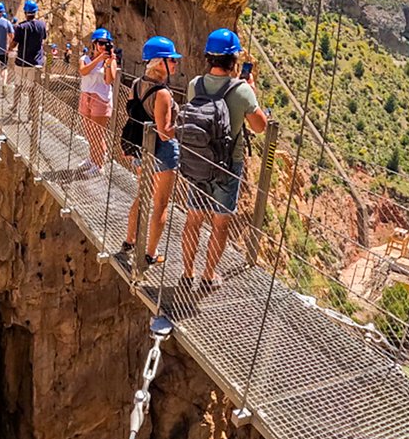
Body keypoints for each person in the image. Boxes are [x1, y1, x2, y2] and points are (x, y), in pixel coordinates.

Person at [179, 28, 267, 292]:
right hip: (229, 164)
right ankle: (208, 275)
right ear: (234, 60)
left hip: (197, 161)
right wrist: (251, 91)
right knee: (220, 223)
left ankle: (186, 273)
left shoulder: (195, 84)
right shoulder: (242, 90)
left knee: (193, 218)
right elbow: (260, 126)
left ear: (209, 57)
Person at [113, 36, 180, 274]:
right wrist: (185, 125)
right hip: (161, 152)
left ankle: (129, 241)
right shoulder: (162, 93)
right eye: (171, 60)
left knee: (142, 196)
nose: (175, 65)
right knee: (160, 203)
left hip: (141, 148)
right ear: (160, 63)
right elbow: (164, 133)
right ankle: (150, 254)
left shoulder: (136, 84)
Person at [77, 28, 117, 176]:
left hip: (101, 99)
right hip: (85, 96)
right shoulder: (85, 59)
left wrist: (107, 62)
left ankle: (99, 165)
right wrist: (98, 59)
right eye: (100, 43)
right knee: (89, 132)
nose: (103, 46)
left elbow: (109, 80)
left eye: (106, 43)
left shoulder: (110, 61)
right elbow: (83, 71)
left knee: (97, 133)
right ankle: (93, 158)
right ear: (94, 43)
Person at [10, 0, 48, 122]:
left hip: (21, 61)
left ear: (25, 12)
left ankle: (15, 108)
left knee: (18, 86)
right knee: (32, 89)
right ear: (35, 12)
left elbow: (15, 43)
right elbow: (43, 39)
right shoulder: (42, 25)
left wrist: (9, 48)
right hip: (35, 63)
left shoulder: (21, 27)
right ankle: (31, 113)